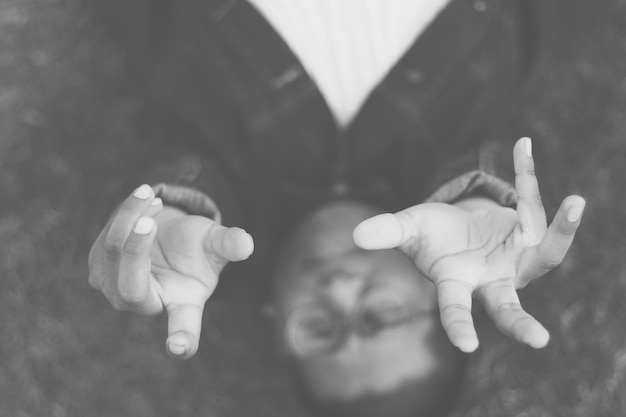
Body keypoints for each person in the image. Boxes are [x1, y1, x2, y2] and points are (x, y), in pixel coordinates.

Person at [87, 0, 585, 415]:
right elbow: (483, 152)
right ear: (439, 288)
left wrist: (167, 213)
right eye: (381, 315)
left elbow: (194, 176)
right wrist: (477, 197)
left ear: (276, 323)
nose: (341, 291)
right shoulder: (456, 151)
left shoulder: (223, 232)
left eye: (320, 330)